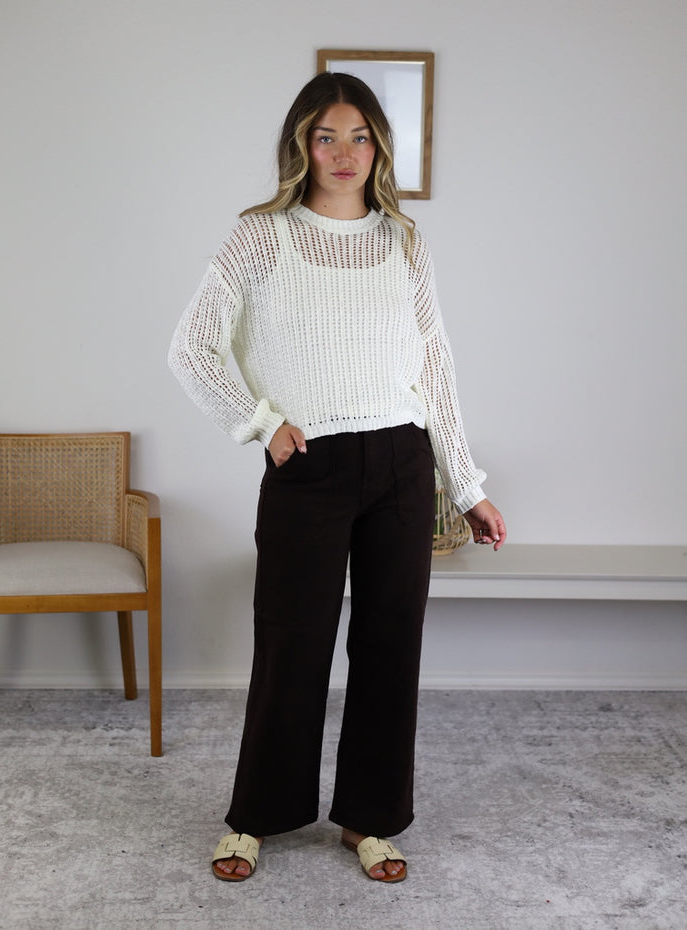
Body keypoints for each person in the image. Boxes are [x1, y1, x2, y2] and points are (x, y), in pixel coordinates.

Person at [168, 71, 506, 884]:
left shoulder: (405, 241)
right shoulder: (261, 237)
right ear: (303, 145)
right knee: (292, 643)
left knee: (391, 645)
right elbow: (190, 348)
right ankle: (255, 816)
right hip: (308, 465)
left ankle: (371, 820)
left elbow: (435, 367)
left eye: (360, 137)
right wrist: (261, 423)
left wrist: (466, 485)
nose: (345, 153)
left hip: (401, 464)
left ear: (379, 148)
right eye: (327, 137)